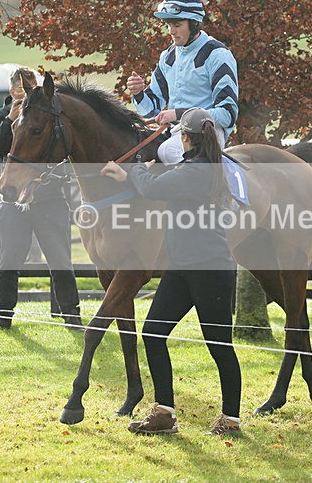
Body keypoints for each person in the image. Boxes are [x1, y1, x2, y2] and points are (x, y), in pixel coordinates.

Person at [101, 108, 241, 435]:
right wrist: (144, 174)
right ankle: (164, 414)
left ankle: (231, 420)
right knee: (153, 332)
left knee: (219, 345)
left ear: (187, 138)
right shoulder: (195, 166)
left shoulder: (199, 171)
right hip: (182, 267)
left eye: (181, 133)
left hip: (209, 270)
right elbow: (161, 182)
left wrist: (133, 170)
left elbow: (152, 188)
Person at [0, 66, 82, 330]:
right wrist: (9, 122)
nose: (31, 92)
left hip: (49, 197)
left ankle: (71, 314)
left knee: (60, 258)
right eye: (25, 87)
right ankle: (3, 314)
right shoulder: (1, 115)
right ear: (13, 91)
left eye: (33, 86)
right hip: (13, 199)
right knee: (9, 258)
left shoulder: (46, 115)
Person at [126, 0, 239, 164]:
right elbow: (150, 109)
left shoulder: (218, 55)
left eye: (177, 25)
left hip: (208, 134)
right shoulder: (168, 56)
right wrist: (139, 93)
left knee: (168, 151)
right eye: (168, 25)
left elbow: (227, 115)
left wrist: (178, 114)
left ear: (194, 24)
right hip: (176, 132)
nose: (171, 31)